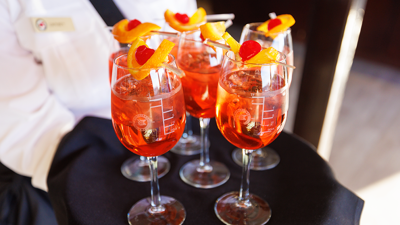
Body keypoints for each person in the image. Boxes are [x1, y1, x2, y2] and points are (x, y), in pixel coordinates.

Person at [0, 0, 197, 224]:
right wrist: (89, 179)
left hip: (168, 125)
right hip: (79, 151)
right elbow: (20, 117)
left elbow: (188, 40)